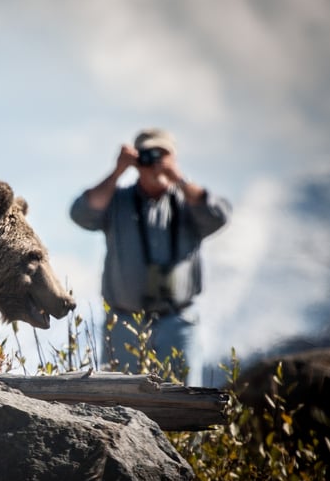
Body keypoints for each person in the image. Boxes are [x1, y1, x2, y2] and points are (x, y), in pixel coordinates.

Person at [70, 128, 231, 376]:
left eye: (162, 155)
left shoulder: (188, 203)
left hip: (178, 323)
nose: (155, 163)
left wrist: (178, 178)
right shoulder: (118, 201)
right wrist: (118, 171)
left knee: (184, 403)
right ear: (136, 160)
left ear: (174, 158)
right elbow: (81, 214)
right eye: (147, 156)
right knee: (118, 402)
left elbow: (219, 215)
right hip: (124, 322)